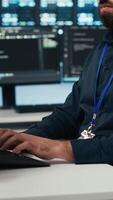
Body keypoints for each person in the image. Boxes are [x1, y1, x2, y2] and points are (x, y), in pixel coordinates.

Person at [0, 0, 113, 164]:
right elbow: (71, 114)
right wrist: (22, 139)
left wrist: (62, 148)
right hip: (91, 167)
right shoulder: (102, 50)